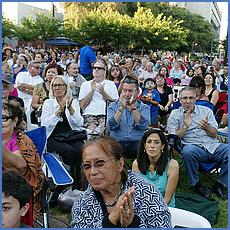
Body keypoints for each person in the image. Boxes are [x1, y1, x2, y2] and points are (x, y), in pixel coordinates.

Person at [71, 136, 171, 228]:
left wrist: (132, 224)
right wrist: (111, 220)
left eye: (100, 163)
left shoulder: (145, 192)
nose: (92, 172)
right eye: (87, 166)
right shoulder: (82, 204)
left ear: (119, 164)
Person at [167, 86, 228, 200]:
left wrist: (206, 127)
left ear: (196, 99)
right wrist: (185, 126)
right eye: (184, 98)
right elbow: (173, 139)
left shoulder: (206, 111)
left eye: (191, 98)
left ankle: (221, 184)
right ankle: (195, 183)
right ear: (180, 100)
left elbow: (214, 134)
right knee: (188, 151)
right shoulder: (175, 114)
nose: (188, 101)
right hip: (193, 148)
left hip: (212, 146)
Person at [2, 100, 45, 225]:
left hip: (13, 190)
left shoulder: (21, 141)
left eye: (3, 118)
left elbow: (20, 167)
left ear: (15, 121)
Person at [41, 75, 84, 189]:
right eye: (54, 85)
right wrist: (59, 110)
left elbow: (80, 123)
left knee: (80, 149)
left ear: (66, 87)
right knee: (68, 151)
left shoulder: (73, 102)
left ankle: (80, 182)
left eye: (60, 85)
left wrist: (70, 109)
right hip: (53, 137)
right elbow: (44, 125)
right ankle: (67, 184)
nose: (57, 88)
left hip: (70, 136)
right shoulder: (48, 103)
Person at [132, 129, 179, 207]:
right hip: (143, 207)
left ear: (162, 146)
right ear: (144, 146)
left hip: (164, 207)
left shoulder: (173, 165)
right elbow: (137, 194)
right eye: (149, 142)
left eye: (156, 142)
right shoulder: (137, 164)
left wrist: (154, 212)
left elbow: (167, 199)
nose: (152, 146)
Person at [107, 76, 150, 159]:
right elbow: (110, 126)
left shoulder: (144, 107)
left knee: (145, 149)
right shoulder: (112, 106)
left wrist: (133, 107)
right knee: (111, 149)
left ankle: (140, 171)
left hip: (137, 142)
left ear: (137, 92)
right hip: (117, 142)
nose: (127, 94)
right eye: (125, 90)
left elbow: (144, 126)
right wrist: (121, 108)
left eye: (130, 91)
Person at [79, 60, 119, 134]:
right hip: (89, 114)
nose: (96, 69)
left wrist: (103, 93)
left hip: (104, 114)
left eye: (99, 68)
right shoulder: (85, 84)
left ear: (105, 71)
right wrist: (91, 91)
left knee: (102, 130)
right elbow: (82, 106)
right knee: (92, 130)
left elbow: (115, 104)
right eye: (94, 68)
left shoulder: (111, 84)